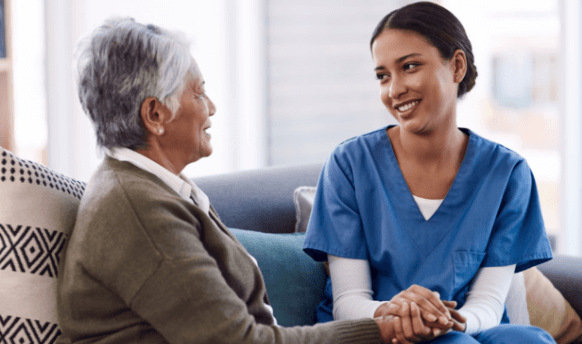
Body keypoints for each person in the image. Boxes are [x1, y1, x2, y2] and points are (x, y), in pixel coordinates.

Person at [56, 17, 420, 344]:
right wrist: (379, 329)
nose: (211, 107)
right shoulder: (137, 211)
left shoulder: (152, 189)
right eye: (198, 92)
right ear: (155, 114)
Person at [302, 2, 555, 344]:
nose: (394, 89)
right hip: (377, 329)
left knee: (528, 340)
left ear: (456, 66)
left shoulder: (507, 174)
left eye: (409, 67)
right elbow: (349, 301)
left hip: (468, 327)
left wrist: (450, 321)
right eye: (383, 76)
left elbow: (488, 303)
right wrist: (399, 313)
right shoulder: (350, 165)